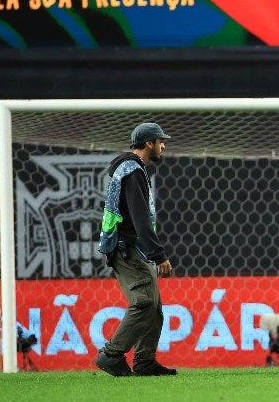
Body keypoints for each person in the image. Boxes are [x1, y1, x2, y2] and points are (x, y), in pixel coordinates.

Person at [94, 122, 177, 377]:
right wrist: (159, 255)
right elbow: (140, 217)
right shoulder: (132, 171)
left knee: (154, 309)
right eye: (160, 141)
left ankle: (144, 362)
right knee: (144, 304)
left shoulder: (133, 168)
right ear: (149, 143)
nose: (163, 146)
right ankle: (111, 354)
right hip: (126, 247)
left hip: (130, 247)